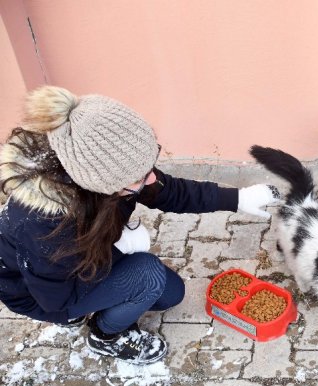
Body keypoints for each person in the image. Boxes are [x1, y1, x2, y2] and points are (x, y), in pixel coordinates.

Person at [0, 86, 280, 364]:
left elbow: (169, 191)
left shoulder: (103, 171)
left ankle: (103, 304)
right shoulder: (43, 224)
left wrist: (237, 198)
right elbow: (55, 298)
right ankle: (104, 337)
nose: (149, 179)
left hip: (72, 266)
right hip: (41, 294)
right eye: (138, 177)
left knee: (169, 294)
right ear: (101, 185)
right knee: (149, 276)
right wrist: (113, 247)